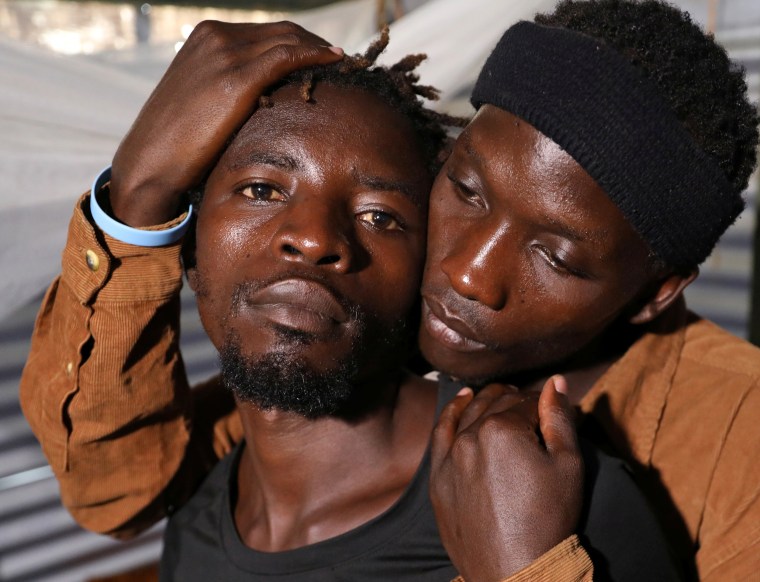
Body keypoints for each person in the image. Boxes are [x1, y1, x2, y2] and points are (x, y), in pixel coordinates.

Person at [20, 0, 760, 579]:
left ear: (654, 293)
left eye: (557, 258)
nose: (469, 271)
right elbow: (114, 488)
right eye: (466, 190)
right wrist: (139, 202)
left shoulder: (733, 443)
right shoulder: (353, 346)